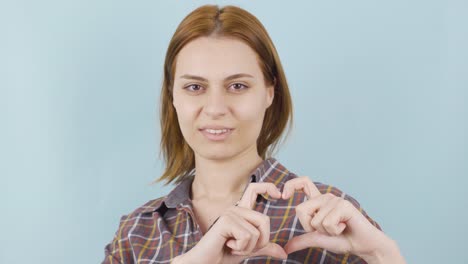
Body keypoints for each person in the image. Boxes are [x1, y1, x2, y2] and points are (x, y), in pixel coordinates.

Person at [102, 4, 405, 264]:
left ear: (270, 92)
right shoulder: (136, 232)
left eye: (238, 86)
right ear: (173, 96)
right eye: (195, 87)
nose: (216, 108)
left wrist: (383, 255)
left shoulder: (331, 221)